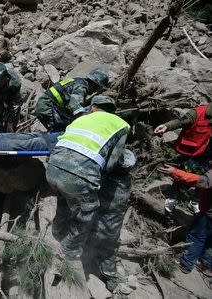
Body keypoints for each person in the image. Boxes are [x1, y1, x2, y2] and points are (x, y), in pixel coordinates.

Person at [45, 95, 132, 291]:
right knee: (86, 212)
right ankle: (69, 249)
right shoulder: (120, 125)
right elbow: (111, 162)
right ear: (111, 110)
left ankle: (57, 231)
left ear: (93, 107)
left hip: (52, 169)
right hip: (78, 177)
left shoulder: (81, 119)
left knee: (64, 199)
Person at [154, 102, 212, 213]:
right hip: (195, 152)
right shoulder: (199, 112)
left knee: (205, 178)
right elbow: (181, 122)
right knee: (181, 174)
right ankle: (172, 197)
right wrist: (167, 126)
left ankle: (195, 201)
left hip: (209, 156)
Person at [158, 164, 212, 276]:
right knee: (210, 240)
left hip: (209, 215)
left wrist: (176, 172)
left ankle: (186, 264)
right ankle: (207, 265)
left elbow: (203, 181)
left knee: (196, 237)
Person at [33, 68, 109, 132]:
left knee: (58, 128)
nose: (95, 91)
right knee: (60, 131)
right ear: (94, 84)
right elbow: (76, 109)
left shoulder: (78, 81)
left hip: (47, 104)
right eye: (97, 88)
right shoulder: (81, 87)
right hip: (47, 106)